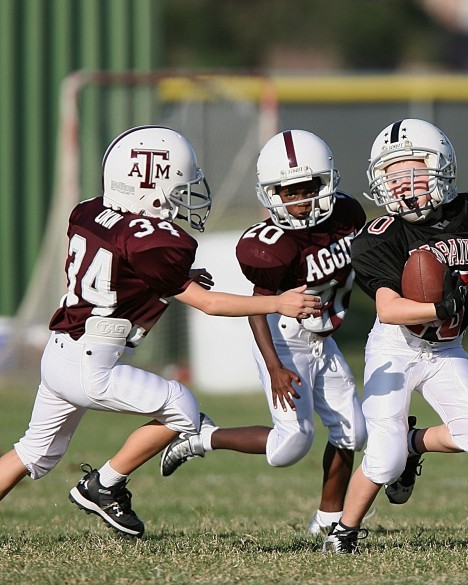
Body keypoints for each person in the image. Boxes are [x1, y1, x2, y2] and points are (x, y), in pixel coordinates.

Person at [0, 125, 321, 538]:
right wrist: (277, 303)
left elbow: (120, 268)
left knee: (33, 453)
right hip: (91, 362)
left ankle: (104, 484)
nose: (184, 197)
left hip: (61, 351)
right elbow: (209, 304)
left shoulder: (89, 210)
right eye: (178, 188)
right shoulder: (150, 239)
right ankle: (104, 483)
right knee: (182, 408)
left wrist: (178, 276)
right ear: (148, 187)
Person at [323, 119, 468, 553]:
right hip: (396, 347)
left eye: (413, 172)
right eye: (392, 176)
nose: (403, 185)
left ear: (442, 167)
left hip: (446, 348)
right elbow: (388, 308)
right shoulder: (379, 237)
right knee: (382, 461)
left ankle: (412, 442)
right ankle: (343, 531)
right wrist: (440, 307)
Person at [158, 130, 368, 535]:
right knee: (289, 446)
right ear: (271, 194)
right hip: (283, 339)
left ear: (326, 182)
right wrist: (273, 366)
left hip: (323, 338)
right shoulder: (271, 246)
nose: (300, 200)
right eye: (288, 192)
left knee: (353, 433)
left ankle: (327, 521)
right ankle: (204, 437)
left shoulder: (347, 216)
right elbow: (260, 309)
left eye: (307, 188)